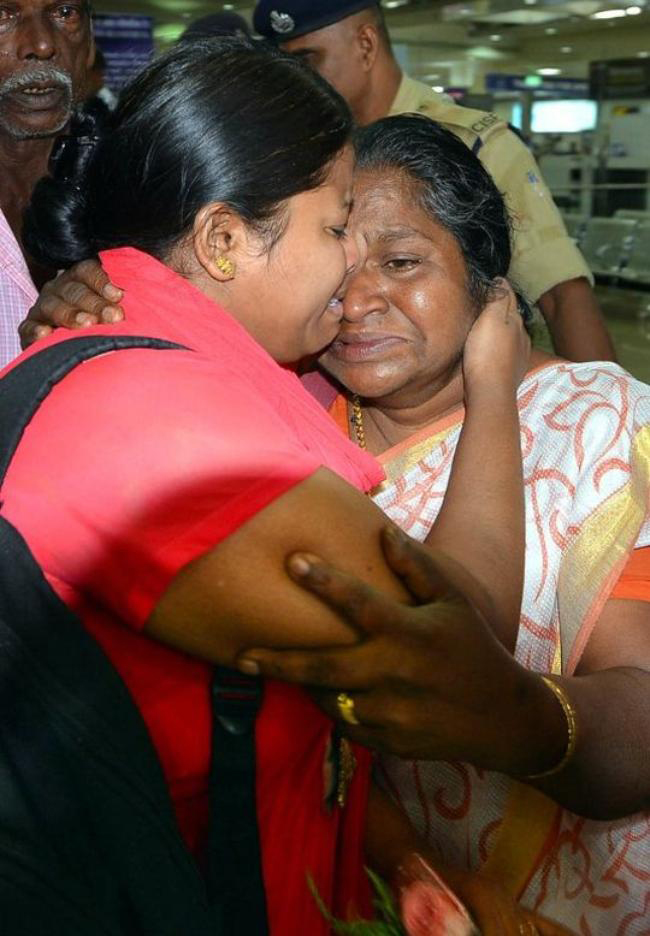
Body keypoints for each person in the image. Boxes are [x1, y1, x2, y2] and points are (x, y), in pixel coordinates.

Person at [1, 37, 564, 935]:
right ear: (224, 240)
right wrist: (495, 388)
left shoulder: (161, 368)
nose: (353, 271)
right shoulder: (167, 427)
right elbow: (456, 635)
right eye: (337, 227)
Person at [231, 116, 650, 936]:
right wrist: (419, 875)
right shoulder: (286, 423)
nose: (358, 302)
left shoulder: (600, 423)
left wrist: (514, 714)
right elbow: (306, 738)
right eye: (337, 267)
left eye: (401, 262)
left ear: (485, 273)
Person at [253, 0, 616, 365]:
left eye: (308, 60)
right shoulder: (306, 152)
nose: (297, 79)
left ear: (365, 44)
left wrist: (604, 403)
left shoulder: (472, 145)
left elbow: (561, 294)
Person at [0, 0, 94, 366]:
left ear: (90, 36)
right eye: (3, 16)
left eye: (64, 13)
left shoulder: (141, 201)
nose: (40, 45)